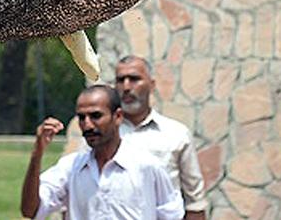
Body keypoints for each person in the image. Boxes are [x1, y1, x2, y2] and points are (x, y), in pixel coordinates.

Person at [21, 85, 184, 220]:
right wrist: (37, 154)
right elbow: (31, 211)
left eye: (96, 116)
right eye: (82, 118)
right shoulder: (71, 168)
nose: (88, 125)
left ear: (118, 116)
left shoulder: (147, 166)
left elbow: (171, 215)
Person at [114, 56, 208, 220]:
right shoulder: (103, 135)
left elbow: (194, 202)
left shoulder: (176, 134)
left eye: (134, 79)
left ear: (152, 85)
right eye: (121, 80)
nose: (126, 87)